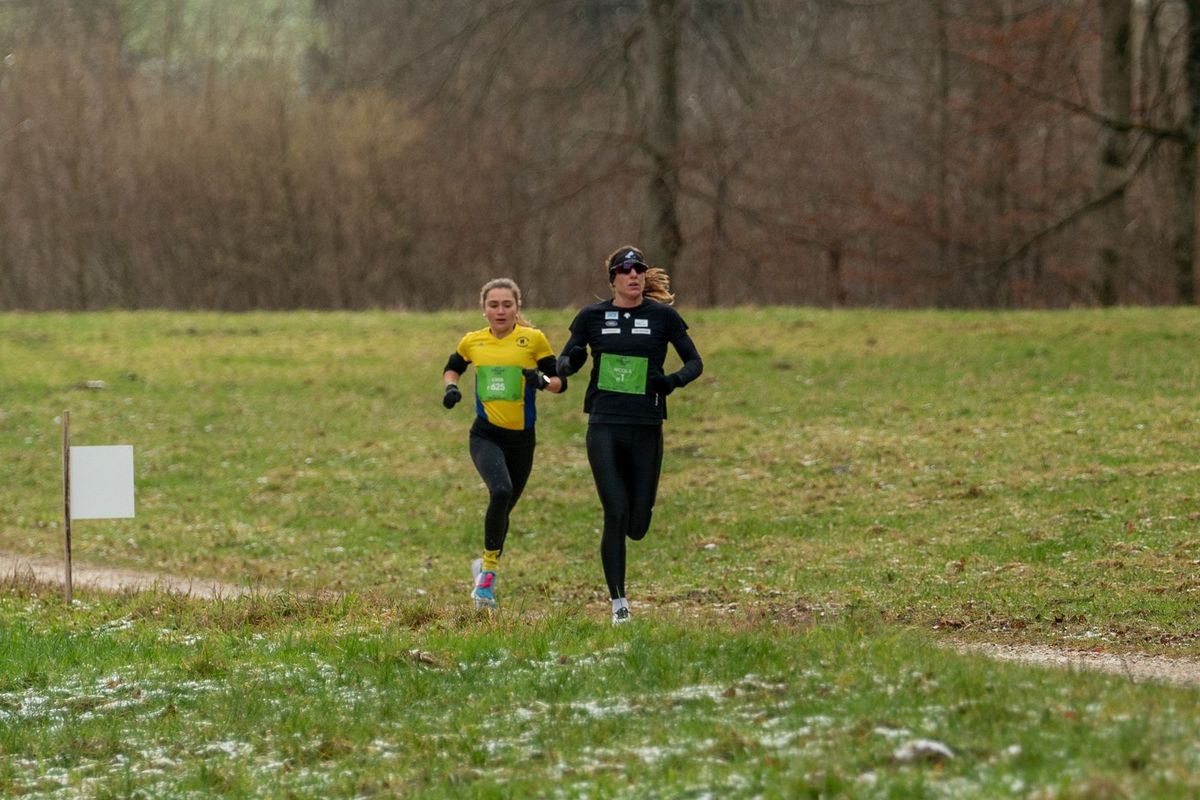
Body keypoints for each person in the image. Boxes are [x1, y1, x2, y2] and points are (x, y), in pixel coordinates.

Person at [556, 246, 703, 624]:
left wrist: (670, 383)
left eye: (639, 269)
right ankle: (618, 604)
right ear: (613, 279)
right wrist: (569, 363)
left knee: (637, 524)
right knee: (615, 513)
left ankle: (633, 539)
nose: (633, 275)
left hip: (646, 426)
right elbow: (568, 358)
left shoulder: (663, 317)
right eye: (625, 270)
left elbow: (695, 362)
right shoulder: (592, 317)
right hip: (604, 424)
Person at [442, 278, 566, 610]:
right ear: (484, 309)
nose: (500, 311)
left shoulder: (533, 340)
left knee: (504, 509)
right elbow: (453, 367)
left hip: (522, 440)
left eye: (507, 305)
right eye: (494, 305)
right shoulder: (473, 341)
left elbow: (558, 383)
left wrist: (539, 380)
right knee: (500, 491)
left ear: (517, 307)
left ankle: (483, 565)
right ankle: (487, 582)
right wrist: (451, 388)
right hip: (485, 435)